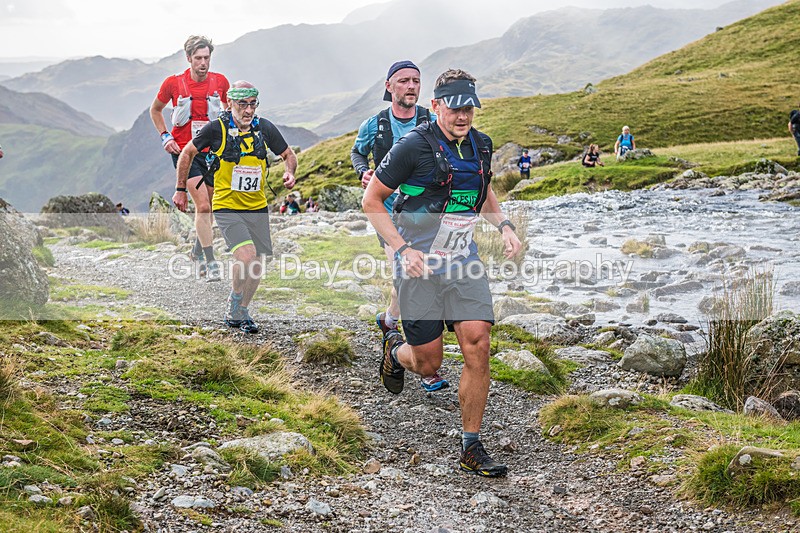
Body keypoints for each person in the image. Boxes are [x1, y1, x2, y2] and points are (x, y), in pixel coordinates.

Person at [363, 69, 522, 477]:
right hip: (418, 265)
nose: (463, 116)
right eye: (454, 108)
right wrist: (402, 250)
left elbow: (483, 191)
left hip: (463, 261)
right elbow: (372, 201)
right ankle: (396, 352)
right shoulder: (413, 146)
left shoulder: (481, 145)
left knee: (478, 343)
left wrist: (504, 226)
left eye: (469, 108)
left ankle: (471, 445)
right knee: (428, 362)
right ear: (436, 106)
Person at [350, 60, 448, 392]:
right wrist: (363, 172)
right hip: (388, 212)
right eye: (404, 81)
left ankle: (389, 320)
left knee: (409, 277)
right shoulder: (375, 125)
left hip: (425, 215)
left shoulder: (430, 121)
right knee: (406, 274)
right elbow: (357, 153)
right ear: (389, 86)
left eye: (416, 81)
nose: (411, 86)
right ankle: (424, 362)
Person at [175, 81, 297, 333]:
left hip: (257, 206)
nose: (248, 110)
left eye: (253, 104)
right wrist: (180, 189)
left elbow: (288, 154)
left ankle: (241, 310)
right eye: (242, 104)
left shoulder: (264, 128)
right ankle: (235, 298)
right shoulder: (216, 129)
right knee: (246, 256)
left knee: (257, 264)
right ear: (230, 103)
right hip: (227, 205)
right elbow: (187, 153)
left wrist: (290, 172)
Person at [150, 35, 230, 282]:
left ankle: (196, 251)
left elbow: (228, 109)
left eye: (207, 58)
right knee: (203, 206)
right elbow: (155, 110)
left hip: (212, 153)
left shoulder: (220, 82)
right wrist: (165, 136)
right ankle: (210, 262)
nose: (203, 63)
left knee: (210, 206)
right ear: (188, 58)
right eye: (198, 58)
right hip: (185, 153)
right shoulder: (173, 83)